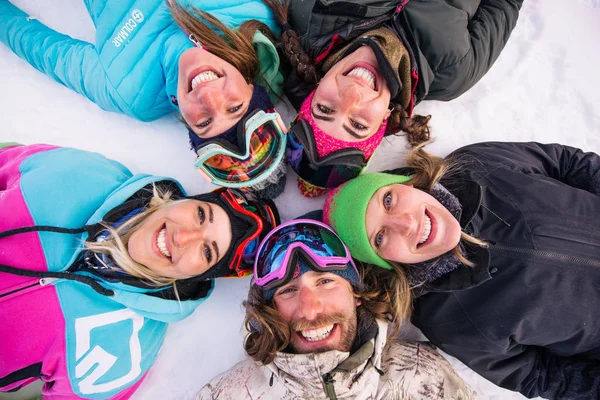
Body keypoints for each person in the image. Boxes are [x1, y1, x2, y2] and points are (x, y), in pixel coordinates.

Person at [0, 142, 279, 399]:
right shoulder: (80, 173)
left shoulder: (123, 355)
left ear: (199, 276)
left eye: (207, 252)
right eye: (200, 214)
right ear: (182, 200)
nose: (184, 237)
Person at [323, 141, 600, 399]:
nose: (406, 224)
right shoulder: (447, 320)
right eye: (380, 238)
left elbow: (567, 164)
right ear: (384, 263)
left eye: (388, 200)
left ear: (406, 183)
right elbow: (536, 375)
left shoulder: (477, 166)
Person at [262, 0, 524, 197]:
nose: (352, 95)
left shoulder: (313, 13)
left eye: (325, 108)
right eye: (358, 125)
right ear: (385, 119)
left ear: (315, 88)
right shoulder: (453, 74)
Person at [196, 219, 476, 399]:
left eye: (326, 282)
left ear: (357, 294)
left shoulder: (421, 372)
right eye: (288, 291)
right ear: (271, 311)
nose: (310, 309)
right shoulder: (229, 394)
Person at [0, 0, 283, 154]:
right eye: (234, 108)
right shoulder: (251, 15)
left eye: (204, 122)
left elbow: (43, 49)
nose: (208, 97)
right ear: (251, 86)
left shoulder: (129, 91)